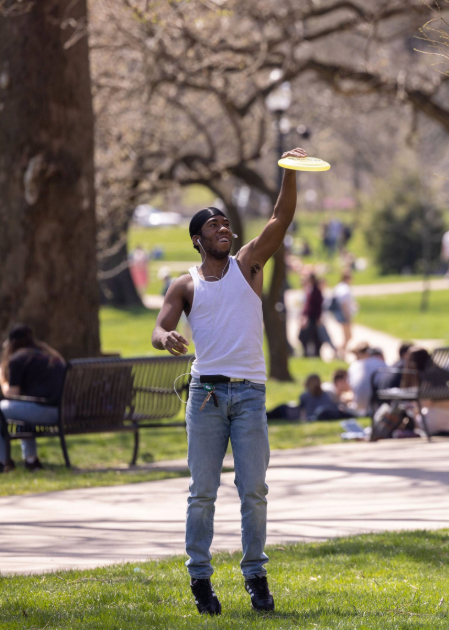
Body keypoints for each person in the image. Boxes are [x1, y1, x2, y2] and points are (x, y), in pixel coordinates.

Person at [150, 146, 309, 615]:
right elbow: (160, 328)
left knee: (253, 490)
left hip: (249, 395)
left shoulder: (247, 265)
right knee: (202, 492)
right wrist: (167, 338)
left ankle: (255, 575)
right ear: (198, 238)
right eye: (214, 225)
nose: (225, 228)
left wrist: (290, 171)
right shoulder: (185, 284)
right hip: (206, 396)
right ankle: (200, 579)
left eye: (227, 224)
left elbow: (280, 219)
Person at [0, 324, 66, 473]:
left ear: (11, 343)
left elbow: (11, 394)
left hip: (42, 412)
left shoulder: (18, 358)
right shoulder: (51, 355)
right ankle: (31, 460)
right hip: (63, 411)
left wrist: (1, 378)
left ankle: (2, 462)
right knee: (21, 408)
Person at [401, 346, 449, 435]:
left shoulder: (425, 379)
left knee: (409, 408)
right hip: (448, 423)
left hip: (429, 423)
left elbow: (426, 403)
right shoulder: (441, 374)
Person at [346, 341, 386, 414]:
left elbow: (351, 389)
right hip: (378, 407)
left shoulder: (354, 366)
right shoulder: (380, 363)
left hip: (360, 408)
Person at [329, 272, 357, 358]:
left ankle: (341, 352)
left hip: (340, 313)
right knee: (348, 335)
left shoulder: (339, 287)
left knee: (346, 336)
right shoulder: (345, 288)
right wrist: (347, 316)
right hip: (343, 313)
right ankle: (339, 352)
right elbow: (344, 304)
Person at [300, 273, 325, 357]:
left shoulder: (316, 291)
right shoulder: (310, 290)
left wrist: (317, 318)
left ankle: (314, 353)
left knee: (312, 336)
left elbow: (317, 306)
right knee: (308, 336)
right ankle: (308, 353)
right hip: (310, 317)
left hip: (313, 317)